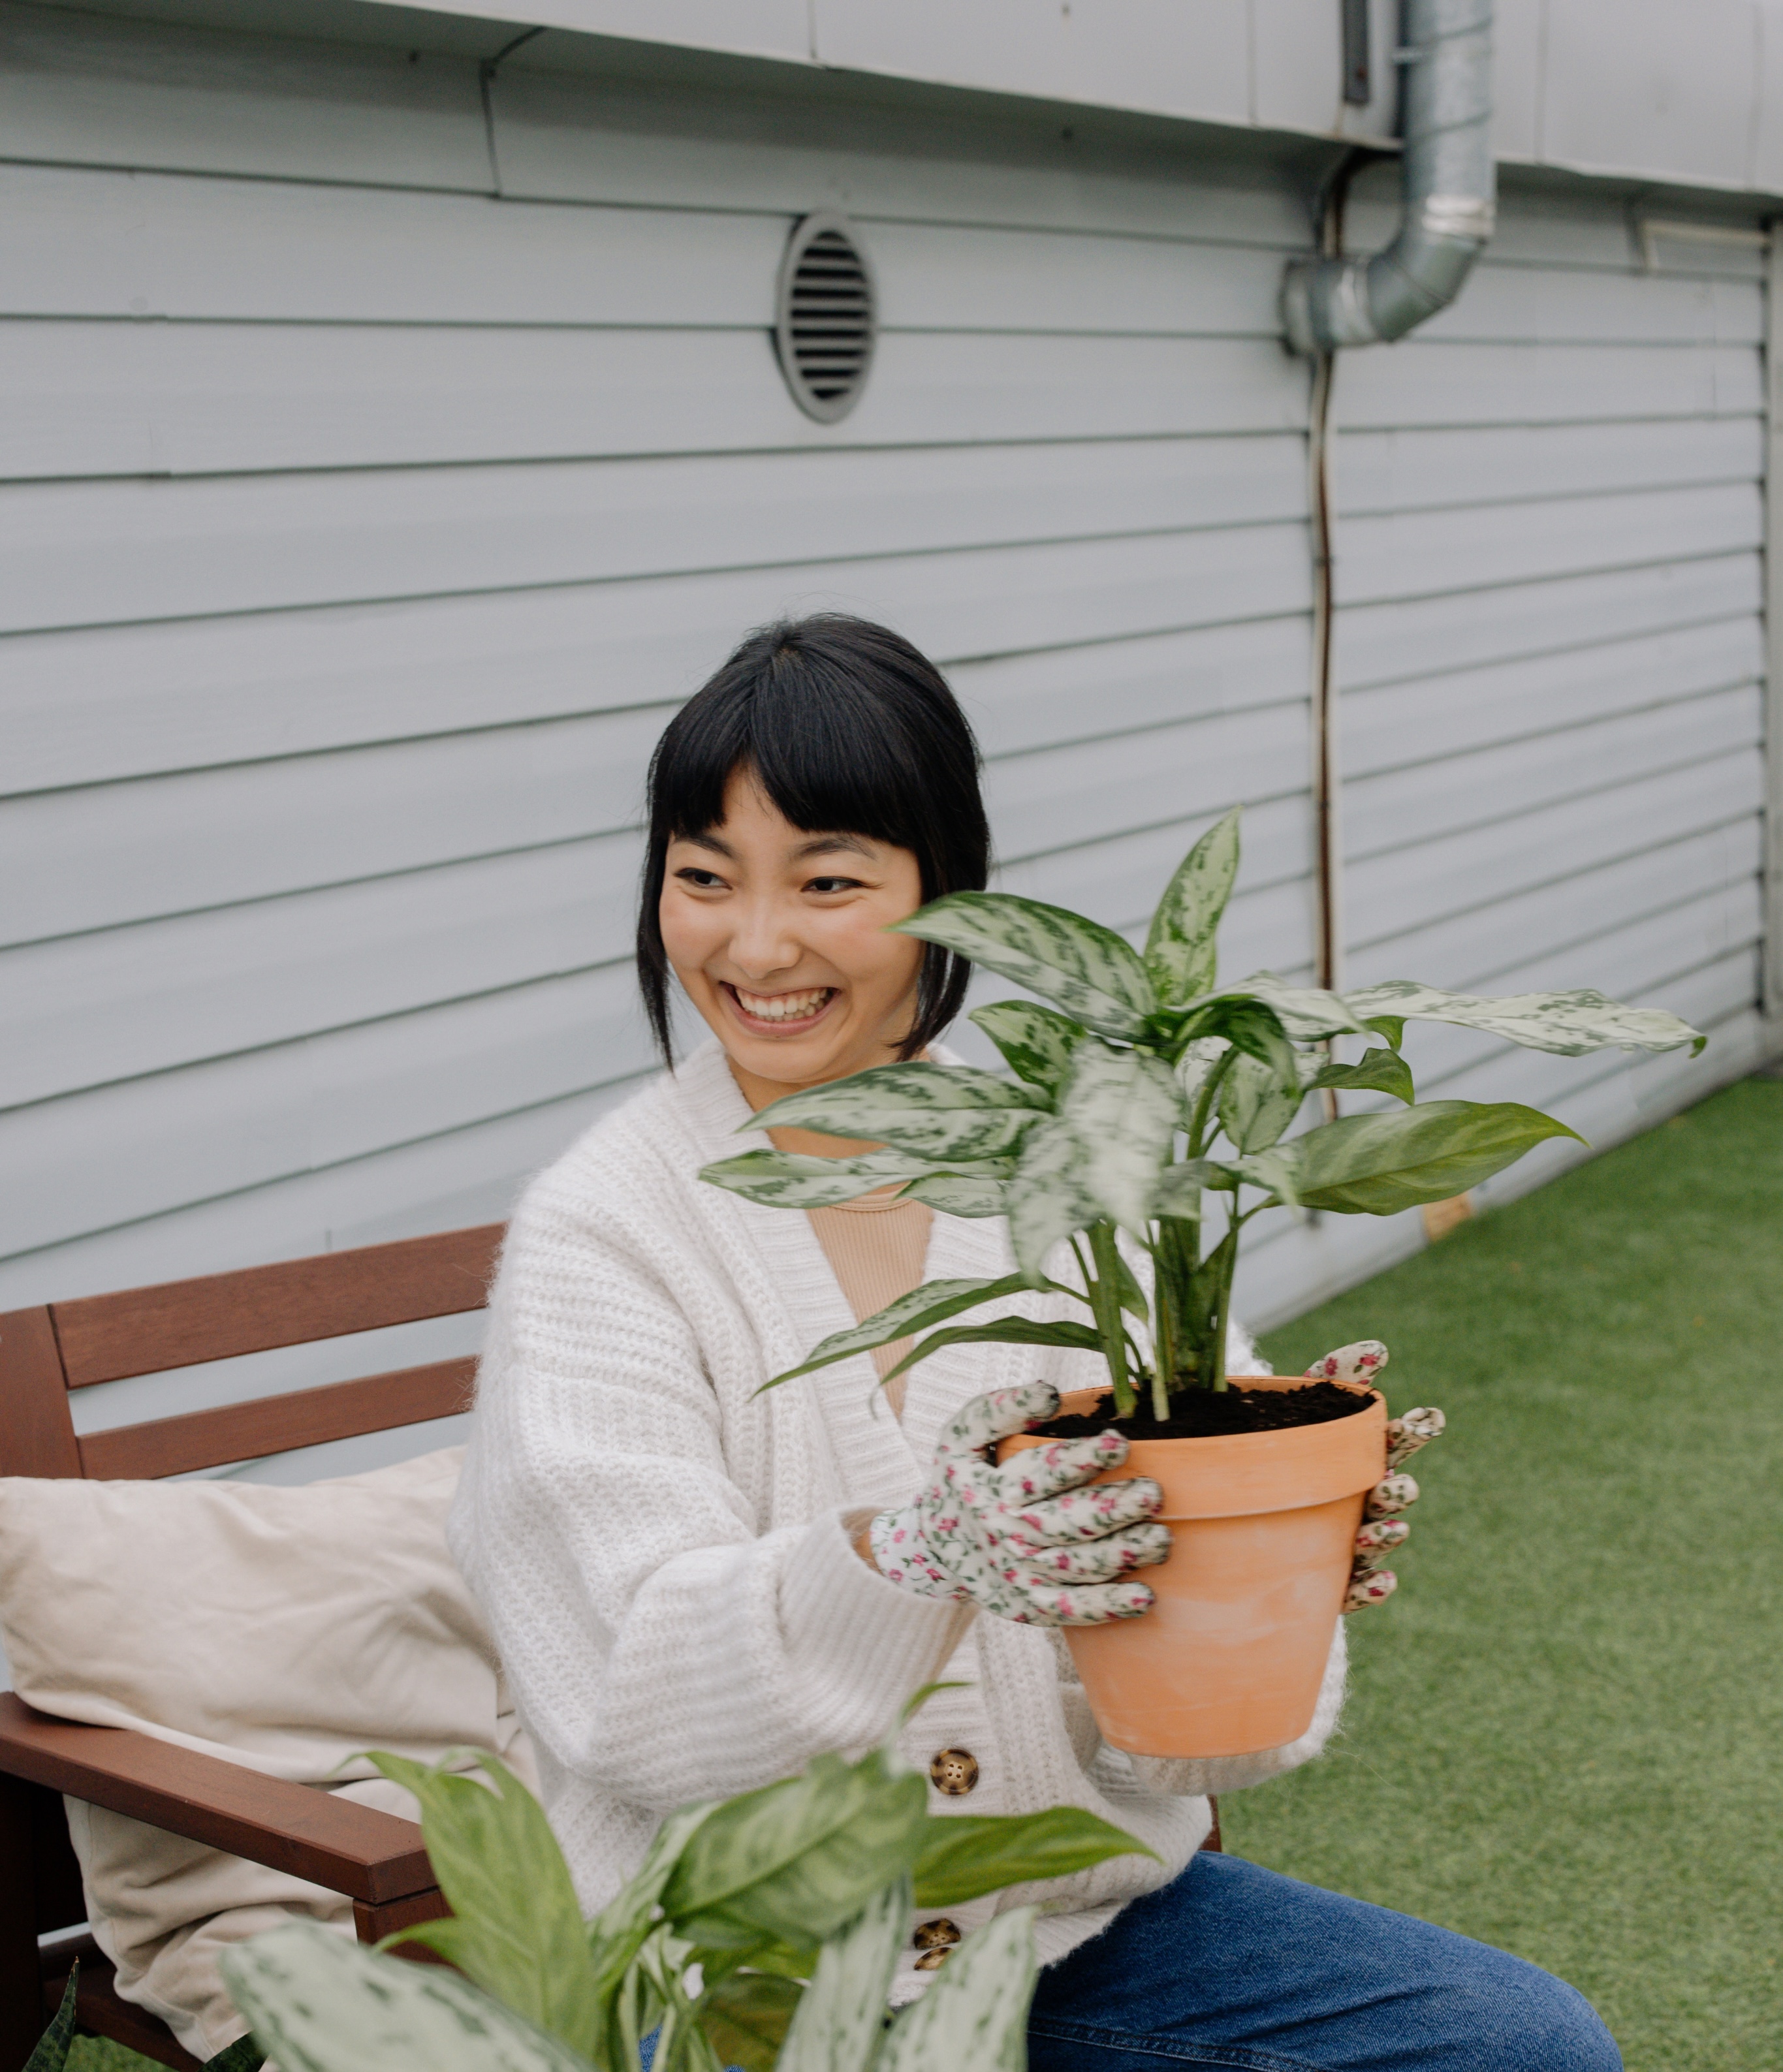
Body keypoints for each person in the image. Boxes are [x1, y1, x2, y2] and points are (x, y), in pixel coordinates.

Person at [448, 616, 1620, 2069]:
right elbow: (638, 1700)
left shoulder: (1079, 1178)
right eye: (703, 877)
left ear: (948, 893)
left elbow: (1206, 1747)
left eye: (827, 880)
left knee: (1523, 2044)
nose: (753, 944)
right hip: (738, 1975)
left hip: (1061, 1935)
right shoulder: (603, 1231)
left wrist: (1266, 1566)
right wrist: (916, 1554)